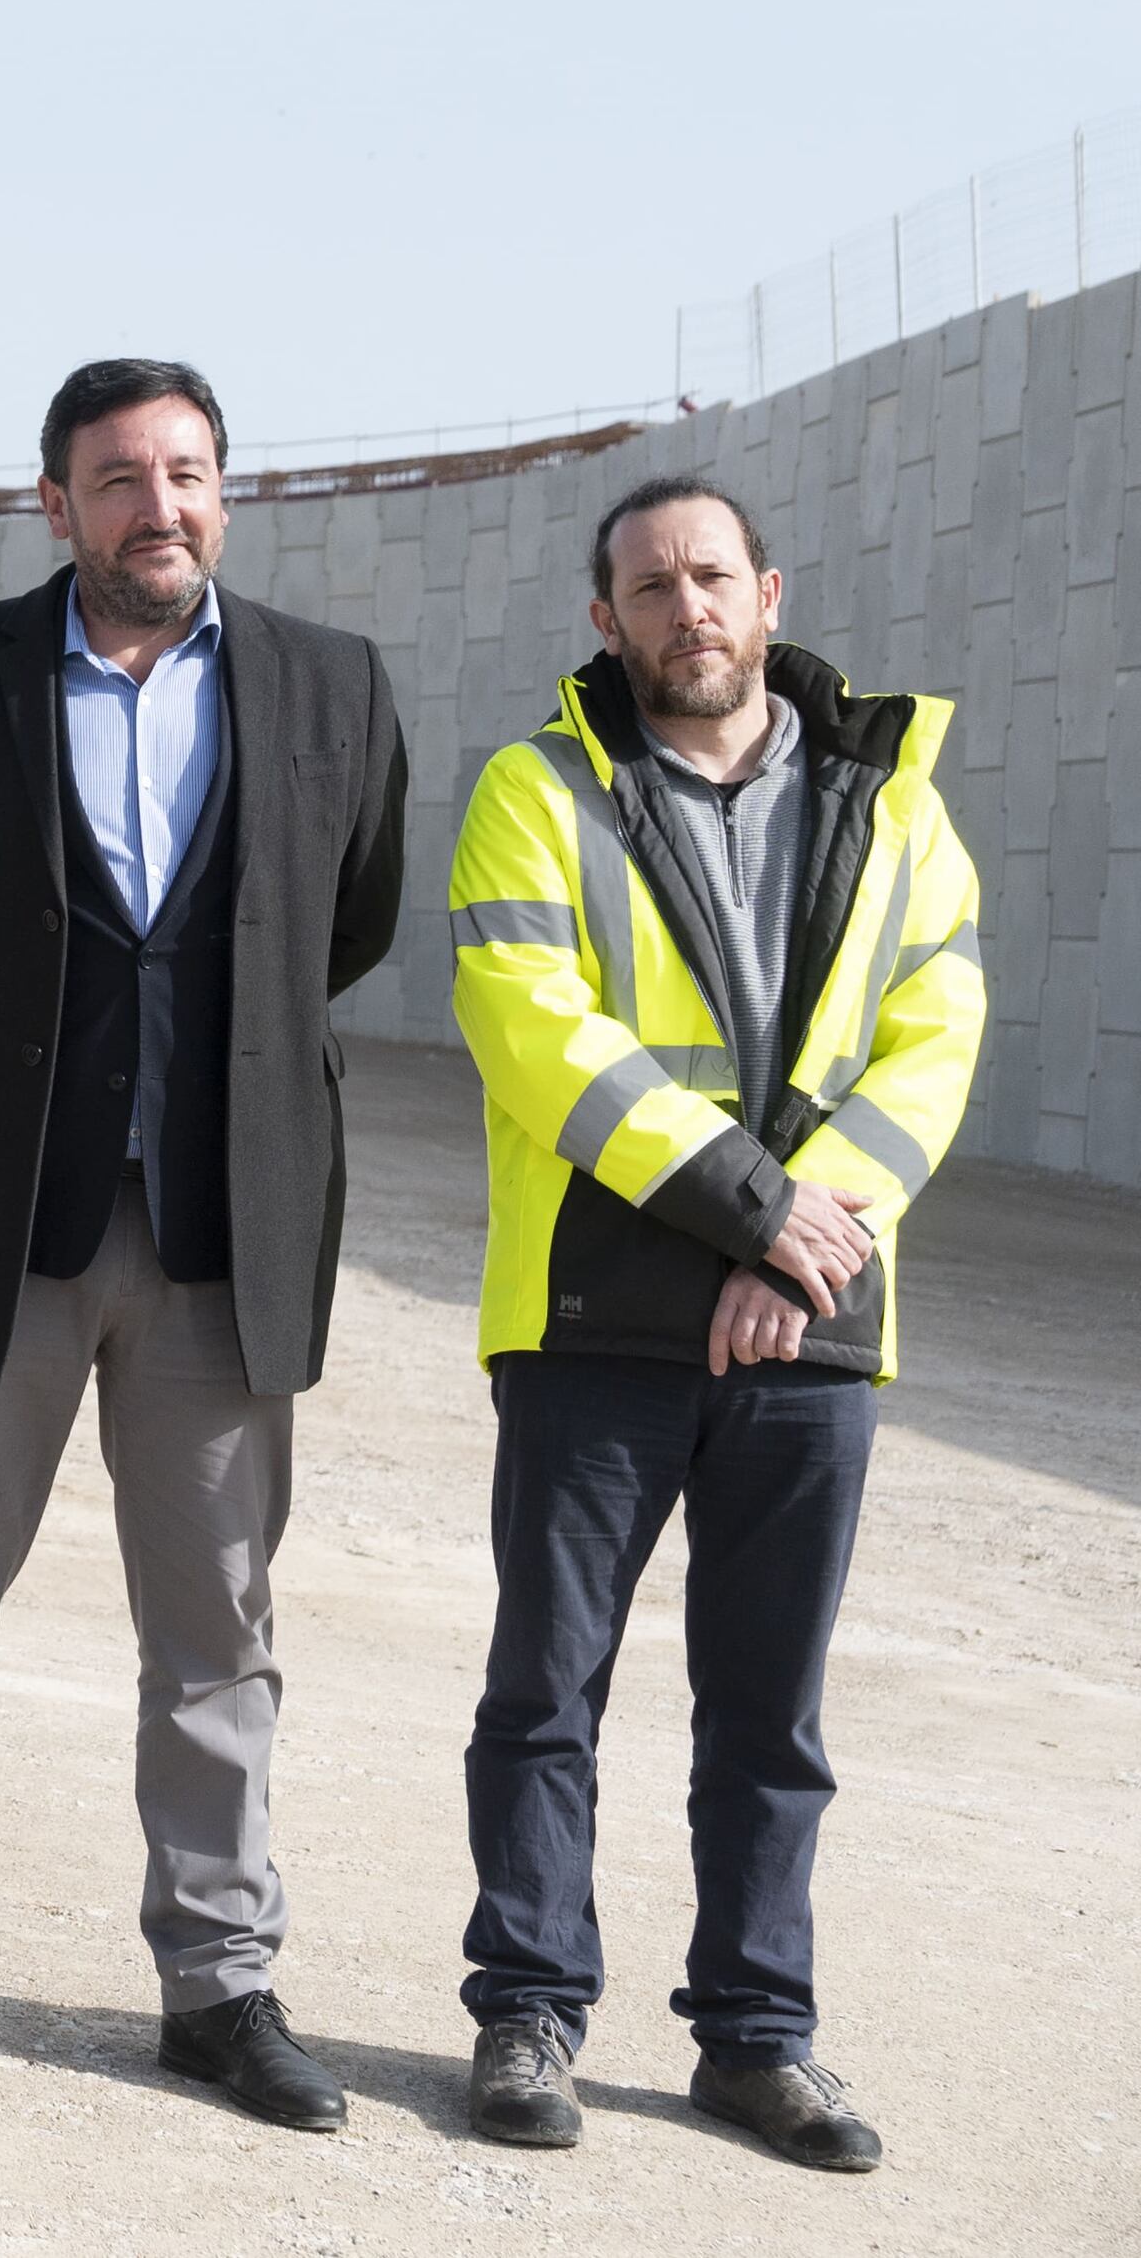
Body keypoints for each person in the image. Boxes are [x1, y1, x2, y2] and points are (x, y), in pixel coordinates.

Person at [0, 355, 407, 2131]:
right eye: (122, 477)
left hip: (229, 1223)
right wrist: (10, 1043)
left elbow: (342, 919)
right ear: (55, 503)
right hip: (0, 1215)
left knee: (218, 1622)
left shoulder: (329, 685)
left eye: (191, 471)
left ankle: (220, 1986)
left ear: (228, 491)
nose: (162, 505)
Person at [440, 475, 978, 2173]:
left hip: (809, 1326)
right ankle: (528, 2014)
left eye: (713, 578)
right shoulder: (537, 794)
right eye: (650, 588)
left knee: (771, 1714)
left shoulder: (895, 804)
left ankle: (759, 2039)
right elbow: (536, 1029)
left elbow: (933, 1038)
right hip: (596, 1313)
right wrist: (758, 1212)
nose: (687, 610)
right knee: (547, 1689)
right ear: (606, 622)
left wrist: (798, 1249)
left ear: (768, 592)